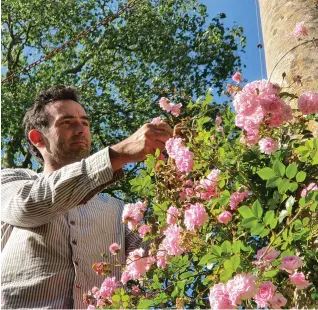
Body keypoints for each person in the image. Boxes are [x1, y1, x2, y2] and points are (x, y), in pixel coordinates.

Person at [1, 85, 172, 309]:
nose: (81, 129)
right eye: (67, 122)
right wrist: (118, 153)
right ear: (38, 137)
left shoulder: (120, 210)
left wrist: (182, 183)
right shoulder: (12, 181)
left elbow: (157, 259)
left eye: (85, 122)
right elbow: (28, 206)